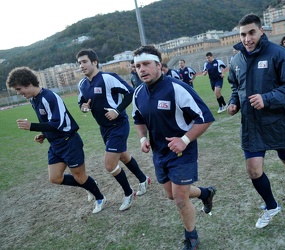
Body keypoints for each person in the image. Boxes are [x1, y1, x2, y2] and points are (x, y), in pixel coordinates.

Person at [131, 45, 216, 249]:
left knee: (179, 198)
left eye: (146, 64)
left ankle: (191, 237)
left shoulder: (177, 88)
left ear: (159, 65)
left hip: (182, 152)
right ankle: (205, 193)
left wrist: (184, 140)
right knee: (171, 194)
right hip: (159, 153)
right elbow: (138, 119)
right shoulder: (138, 94)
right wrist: (143, 139)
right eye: (137, 66)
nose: (141, 69)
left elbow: (204, 118)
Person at [227, 14, 285, 229]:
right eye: (243, 34)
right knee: (253, 169)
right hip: (252, 125)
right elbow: (236, 87)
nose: (247, 39)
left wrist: (267, 99)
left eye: (251, 32)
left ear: (262, 31)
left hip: (279, 122)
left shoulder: (278, 54)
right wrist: (234, 102)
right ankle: (271, 206)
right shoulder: (236, 60)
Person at [6, 66, 106, 214]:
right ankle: (88, 185)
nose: (19, 93)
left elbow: (57, 123)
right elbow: (48, 122)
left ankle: (100, 197)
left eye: (19, 89)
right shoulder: (34, 100)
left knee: (79, 176)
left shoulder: (49, 97)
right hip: (55, 144)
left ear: (28, 83)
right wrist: (44, 134)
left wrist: (31, 126)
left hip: (69, 142)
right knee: (55, 178)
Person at [76, 48, 151, 211]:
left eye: (84, 62)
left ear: (94, 62)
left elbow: (130, 93)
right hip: (104, 128)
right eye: (79, 63)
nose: (81, 65)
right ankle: (143, 179)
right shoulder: (82, 84)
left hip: (118, 125)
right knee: (123, 156)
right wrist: (84, 108)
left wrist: (117, 110)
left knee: (110, 165)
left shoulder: (108, 78)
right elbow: (81, 103)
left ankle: (128, 192)